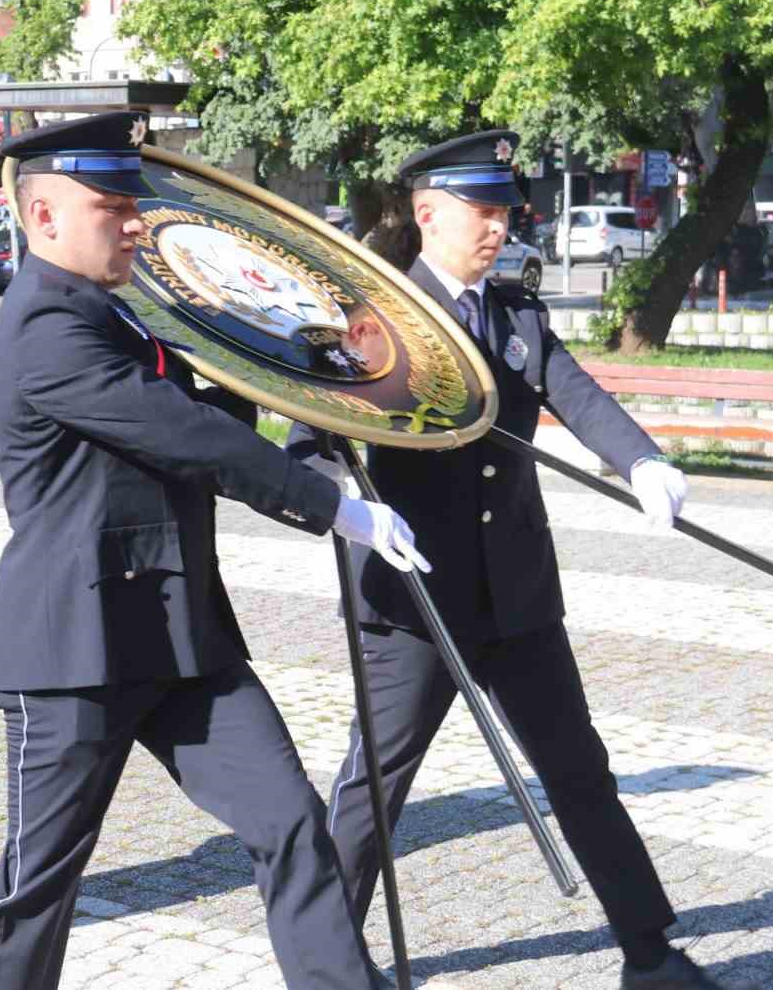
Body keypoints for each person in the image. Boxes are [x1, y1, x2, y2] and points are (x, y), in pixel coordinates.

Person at [0, 111, 428, 990]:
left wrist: (307, 366)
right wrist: (335, 510)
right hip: (78, 650)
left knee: (291, 823)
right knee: (39, 884)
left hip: (183, 639)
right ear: (44, 218)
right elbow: (185, 437)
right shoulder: (44, 327)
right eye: (114, 206)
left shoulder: (117, 318)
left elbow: (218, 419)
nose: (138, 222)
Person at [288, 130, 726, 990]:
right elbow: (309, 445)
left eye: (504, 212)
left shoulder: (519, 313)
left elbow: (576, 393)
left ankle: (649, 952)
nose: (497, 227)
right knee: (375, 789)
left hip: (518, 597)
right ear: (426, 215)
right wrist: (355, 511)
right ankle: (323, 963)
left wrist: (641, 460)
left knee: (579, 771)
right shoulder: (372, 322)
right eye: (480, 212)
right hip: (416, 603)